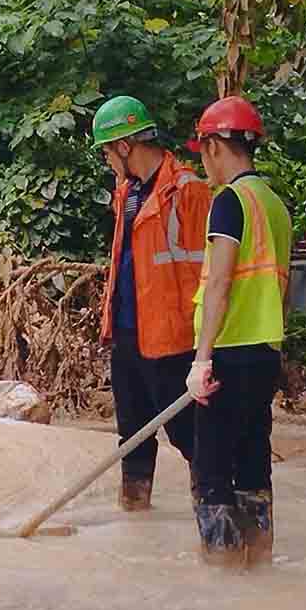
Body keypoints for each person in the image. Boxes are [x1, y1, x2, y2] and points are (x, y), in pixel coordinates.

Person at [184, 96, 292, 568]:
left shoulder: (229, 202)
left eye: (202, 150)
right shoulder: (274, 205)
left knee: (210, 474)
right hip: (265, 353)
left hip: (227, 354)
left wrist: (201, 360)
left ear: (213, 146)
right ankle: (259, 571)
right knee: (251, 466)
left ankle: (222, 578)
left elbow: (222, 283)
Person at [94, 95, 212, 511]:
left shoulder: (188, 192)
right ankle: (135, 512)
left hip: (173, 337)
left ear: (125, 147)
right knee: (133, 436)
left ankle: (216, 519)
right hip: (129, 331)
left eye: (108, 152)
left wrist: (207, 347)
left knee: (188, 434)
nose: (108, 161)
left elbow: (211, 270)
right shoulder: (126, 194)